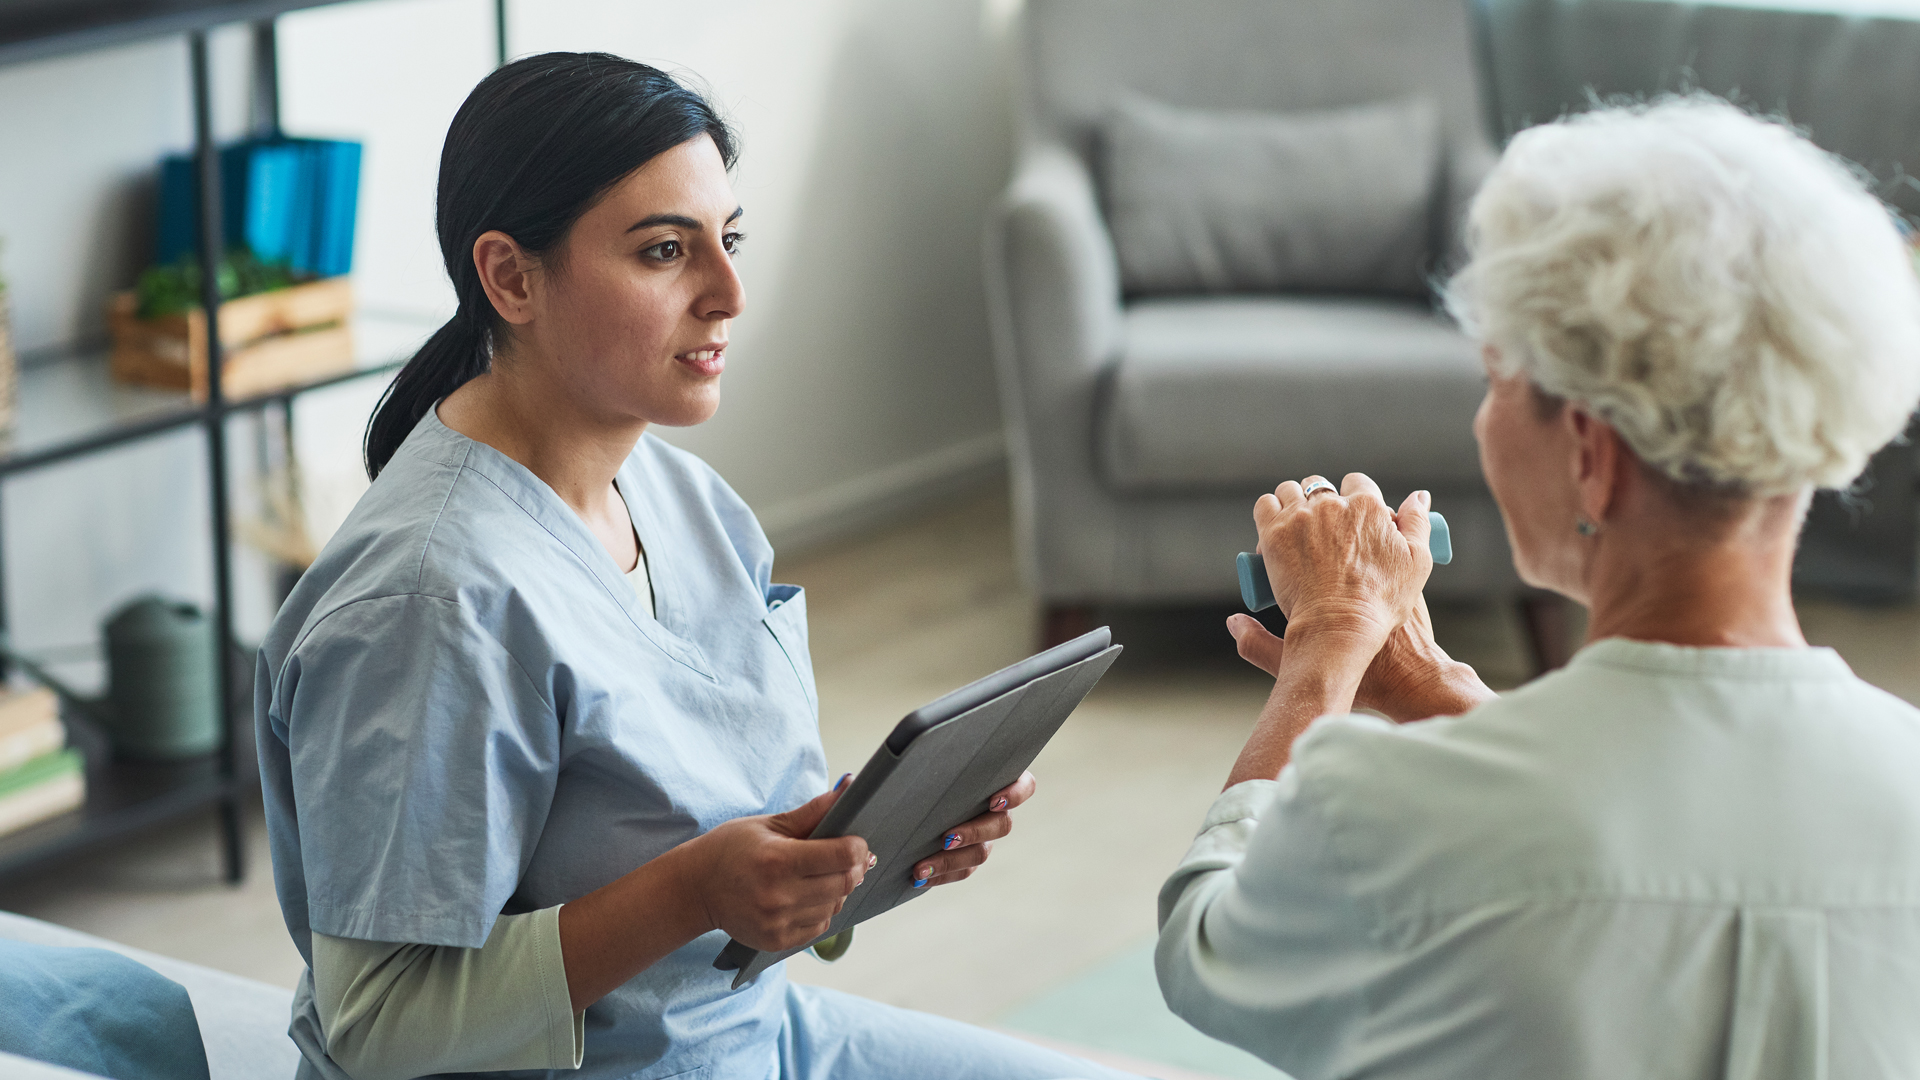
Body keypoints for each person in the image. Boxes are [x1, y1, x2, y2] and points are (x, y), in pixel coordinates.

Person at [256, 53, 1138, 1080]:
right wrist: (692, 892)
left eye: (730, 239)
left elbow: (712, 847)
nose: (729, 294)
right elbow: (380, 1029)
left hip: (746, 1040)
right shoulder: (428, 602)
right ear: (510, 277)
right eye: (666, 251)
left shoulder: (685, 501)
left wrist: (859, 859)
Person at [1155, 96, 1920, 1078]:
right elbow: (1672, 795)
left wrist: (1328, 646)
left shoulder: (1390, 812)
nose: (1484, 421)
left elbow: (1207, 947)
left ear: (1592, 456)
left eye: (1498, 381)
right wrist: (1431, 687)